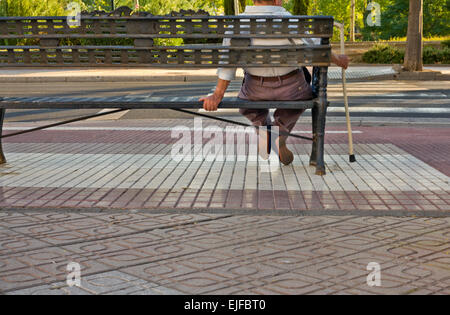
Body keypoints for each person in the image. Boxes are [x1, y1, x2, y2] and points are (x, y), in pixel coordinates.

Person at [200, 0, 349, 165]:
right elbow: (319, 49)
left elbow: (228, 64)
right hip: (292, 89)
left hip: (255, 90)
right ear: (277, 0)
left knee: (246, 105)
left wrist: (217, 94)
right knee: (303, 98)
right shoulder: (292, 21)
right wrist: (339, 59)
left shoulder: (237, 24)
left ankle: (264, 128)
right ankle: (279, 132)